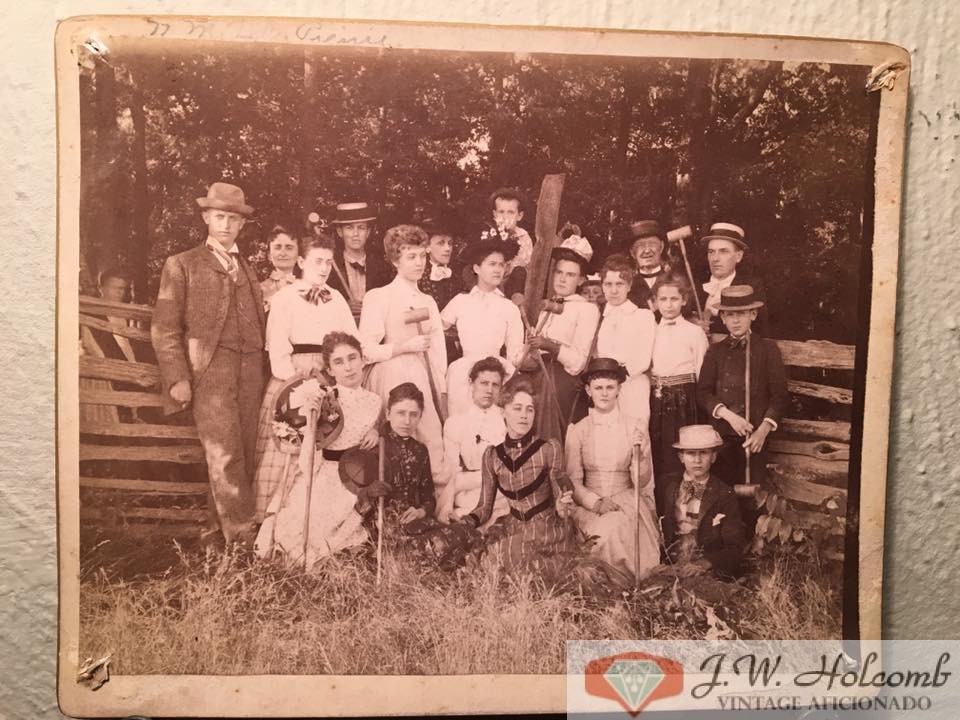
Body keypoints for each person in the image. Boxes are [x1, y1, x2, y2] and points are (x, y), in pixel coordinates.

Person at [151, 181, 265, 546]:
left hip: (249, 371)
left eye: (233, 219)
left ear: (242, 224)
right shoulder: (183, 264)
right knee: (225, 454)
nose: (226, 225)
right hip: (210, 372)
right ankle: (245, 544)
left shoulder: (246, 267)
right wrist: (177, 378)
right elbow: (165, 328)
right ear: (205, 218)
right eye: (219, 217)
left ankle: (219, 535)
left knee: (245, 452)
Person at [252, 232, 359, 520]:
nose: (323, 268)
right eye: (317, 261)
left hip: (329, 375)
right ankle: (273, 521)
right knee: (288, 446)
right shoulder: (285, 298)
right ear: (301, 262)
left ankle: (319, 521)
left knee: (328, 444)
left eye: (328, 262)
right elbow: (276, 350)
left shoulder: (335, 298)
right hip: (294, 377)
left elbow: (352, 340)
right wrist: (297, 382)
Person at [255, 332, 381, 567]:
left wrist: (376, 432)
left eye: (353, 358)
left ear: (363, 360)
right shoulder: (324, 397)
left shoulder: (375, 400)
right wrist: (311, 420)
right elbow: (310, 448)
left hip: (354, 476)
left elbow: (375, 435)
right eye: (339, 362)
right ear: (330, 370)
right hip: (324, 472)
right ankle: (311, 559)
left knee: (343, 522)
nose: (348, 367)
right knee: (306, 522)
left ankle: (336, 556)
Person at [360, 224, 449, 498]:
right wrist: (402, 347)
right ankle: (386, 513)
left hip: (422, 377)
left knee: (430, 439)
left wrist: (441, 391)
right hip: (390, 375)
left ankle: (431, 508)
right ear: (395, 260)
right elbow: (366, 349)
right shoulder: (378, 297)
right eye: (411, 257)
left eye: (422, 256)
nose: (419, 263)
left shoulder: (429, 302)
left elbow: (438, 353)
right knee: (391, 443)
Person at [458, 376, 578, 575]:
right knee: (479, 557)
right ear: (503, 411)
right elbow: (484, 508)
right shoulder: (492, 456)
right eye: (517, 408)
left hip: (545, 528)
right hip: (512, 526)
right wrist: (467, 521)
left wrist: (562, 504)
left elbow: (560, 495)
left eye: (529, 409)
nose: (524, 415)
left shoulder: (549, 448)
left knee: (498, 561)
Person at [565, 358, 661, 580]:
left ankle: (620, 584)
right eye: (598, 388)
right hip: (589, 504)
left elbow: (642, 482)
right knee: (596, 535)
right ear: (589, 391)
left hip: (624, 502)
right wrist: (595, 503)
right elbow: (573, 481)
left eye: (610, 387)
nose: (604, 393)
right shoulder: (578, 431)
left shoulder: (634, 426)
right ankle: (598, 588)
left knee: (611, 530)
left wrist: (641, 455)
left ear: (619, 389)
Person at [697, 285, 788, 500]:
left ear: (753, 315)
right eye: (730, 315)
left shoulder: (767, 350)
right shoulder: (715, 351)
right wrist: (729, 416)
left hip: (754, 439)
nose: (735, 321)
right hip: (722, 439)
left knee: (752, 499)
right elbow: (703, 393)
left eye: (741, 314)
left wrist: (763, 431)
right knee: (722, 498)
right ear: (723, 318)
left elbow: (780, 396)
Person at [518, 235, 599, 442]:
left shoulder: (587, 309)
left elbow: (578, 363)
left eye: (570, 275)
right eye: (559, 272)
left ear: (581, 280)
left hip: (562, 386)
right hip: (536, 378)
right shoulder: (547, 305)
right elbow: (525, 354)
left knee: (554, 441)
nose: (562, 279)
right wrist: (528, 354)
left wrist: (549, 345)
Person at [441, 235, 524, 417]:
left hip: (496, 372)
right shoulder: (461, 301)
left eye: (501, 265)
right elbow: (437, 329)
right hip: (464, 373)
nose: (497, 270)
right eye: (491, 264)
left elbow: (515, 355)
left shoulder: (509, 307)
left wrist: (530, 350)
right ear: (477, 268)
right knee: (462, 423)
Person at [656, 424, 747, 579]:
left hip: (705, 565)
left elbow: (735, 546)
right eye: (691, 453)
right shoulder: (666, 486)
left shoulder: (724, 494)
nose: (697, 460)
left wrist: (706, 563)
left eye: (704, 453)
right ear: (681, 457)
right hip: (670, 561)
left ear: (713, 457)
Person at [649, 273, 709, 484]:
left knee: (682, 450)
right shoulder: (651, 331)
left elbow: (703, 372)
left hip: (684, 398)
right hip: (657, 398)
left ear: (684, 300)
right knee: (660, 450)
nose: (668, 305)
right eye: (663, 299)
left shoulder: (694, 332)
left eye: (674, 299)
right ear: (655, 302)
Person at [438, 357, 511, 524]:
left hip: (501, 495)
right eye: (484, 383)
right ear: (472, 384)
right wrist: (446, 509)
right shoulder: (455, 423)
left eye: (495, 385)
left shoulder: (507, 421)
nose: (489, 390)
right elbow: (452, 475)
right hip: (468, 497)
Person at [591, 253, 657, 424]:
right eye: (608, 284)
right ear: (602, 286)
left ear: (629, 286)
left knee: (635, 434)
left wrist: (617, 376)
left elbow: (643, 359)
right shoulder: (599, 317)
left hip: (632, 386)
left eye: (619, 284)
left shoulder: (643, 316)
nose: (613, 290)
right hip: (604, 389)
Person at [697, 222, 768, 337]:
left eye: (723, 251)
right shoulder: (696, 284)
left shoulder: (752, 287)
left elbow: (759, 329)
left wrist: (710, 326)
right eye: (711, 252)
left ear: (738, 256)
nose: (715, 259)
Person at [327, 201, 394, 320]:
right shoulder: (329, 267)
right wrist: (343, 307)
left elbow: (390, 304)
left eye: (361, 228)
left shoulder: (383, 267)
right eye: (349, 228)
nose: (355, 234)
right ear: (339, 232)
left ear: (368, 232)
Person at [382, 382, 437, 527]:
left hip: (415, 522)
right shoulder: (377, 446)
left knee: (464, 532)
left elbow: (429, 498)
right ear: (388, 414)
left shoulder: (420, 450)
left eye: (413, 415)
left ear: (420, 417)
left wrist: (420, 512)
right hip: (383, 526)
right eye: (400, 413)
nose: (407, 421)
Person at [418, 216, 464, 365]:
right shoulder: (418, 277)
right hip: (427, 342)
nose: (447, 248)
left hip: (453, 343)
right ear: (427, 247)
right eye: (441, 243)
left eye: (450, 243)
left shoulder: (456, 276)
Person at [486, 187, 534, 302]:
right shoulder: (490, 234)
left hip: (511, 283)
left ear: (519, 216)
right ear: (494, 214)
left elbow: (523, 264)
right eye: (501, 212)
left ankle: (514, 302)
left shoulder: (523, 237)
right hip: (490, 280)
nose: (505, 217)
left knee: (520, 272)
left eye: (510, 212)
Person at [624, 220, 671, 311]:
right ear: (632, 253)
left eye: (652, 244)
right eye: (640, 245)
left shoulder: (675, 279)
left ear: (661, 247)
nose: (647, 250)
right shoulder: (626, 285)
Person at [259, 226, 298, 313]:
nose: (283, 253)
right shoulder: (260, 290)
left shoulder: (307, 287)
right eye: (277, 247)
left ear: (298, 255)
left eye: (289, 248)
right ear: (269, 255)